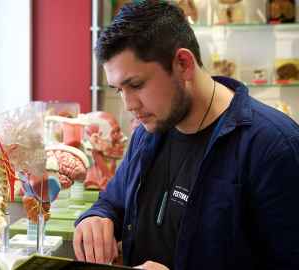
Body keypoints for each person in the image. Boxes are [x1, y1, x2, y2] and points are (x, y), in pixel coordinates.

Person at [73, 1, 299, 270]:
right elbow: (113, 200)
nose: (128, 105)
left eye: (135, 85)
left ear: (183, 63)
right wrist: (96, 218)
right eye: (118, 89)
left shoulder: (273, 147)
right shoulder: (147, 132)